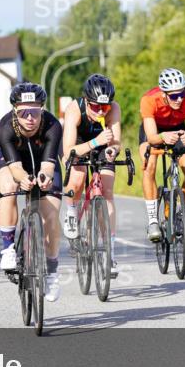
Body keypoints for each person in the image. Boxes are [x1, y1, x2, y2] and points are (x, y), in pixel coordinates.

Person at [0, 82, 64, 302]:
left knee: (51, 215)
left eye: (35, 111)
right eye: (24, 112)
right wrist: (23, 178)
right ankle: (8, 248)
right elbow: (15, 169)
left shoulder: (53, 125)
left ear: (42, 109)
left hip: (42, 161)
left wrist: (45, 177)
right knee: (9, 187)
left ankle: (52, 271)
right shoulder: (4, 127)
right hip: (11, 160)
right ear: (15, 111)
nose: (30, 118)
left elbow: (48, 165)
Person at [61, 73, 122, 272]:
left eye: (105, 107)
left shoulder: (113, 108)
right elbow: (68, 150)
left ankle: (110, 254)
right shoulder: (74, 109)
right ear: (86, 101)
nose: (101, 112)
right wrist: (95, 142)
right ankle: (71, 212)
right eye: (96, 107)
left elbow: (116, 142)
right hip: (78, 144)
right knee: (78, 177)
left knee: (107, 190)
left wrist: (113, 150)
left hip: (102, 144)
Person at [139, 68, 185, 242]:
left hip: (179, 129)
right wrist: (162, 137)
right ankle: (153, 221)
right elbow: (151, 137)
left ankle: (181, 216)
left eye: (181, 94)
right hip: (155, 131)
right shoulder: (149, 100)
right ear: (164, 94)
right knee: (149, 164)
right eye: (174, 96)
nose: (179, 99)